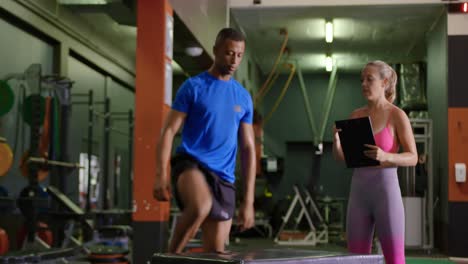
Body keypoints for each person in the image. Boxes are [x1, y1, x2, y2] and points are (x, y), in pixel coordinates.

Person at [153, 28, 256, 254]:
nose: (234, 60)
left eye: (239, 55)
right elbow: (169, 130)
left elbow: (248, 148)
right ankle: (170, 257)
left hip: (224, 177)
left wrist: (248, 202)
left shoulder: (242, 97)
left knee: (216, 252)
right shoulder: (193, 87)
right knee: (201, 206)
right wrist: (161, 174)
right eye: (229, 53)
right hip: (191, 163)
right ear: (216, 51)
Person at [332, 60, 417, 264]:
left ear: (384, 82)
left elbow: (413, 157)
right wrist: (336, 144)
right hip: (359, 195)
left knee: (395, 259)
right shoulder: (356, 116)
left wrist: (387, 156)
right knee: (355, 259)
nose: (363, 84)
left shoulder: (397, 115)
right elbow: (345, 160)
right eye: (362, 80)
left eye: (369, 79)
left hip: (385, 194)